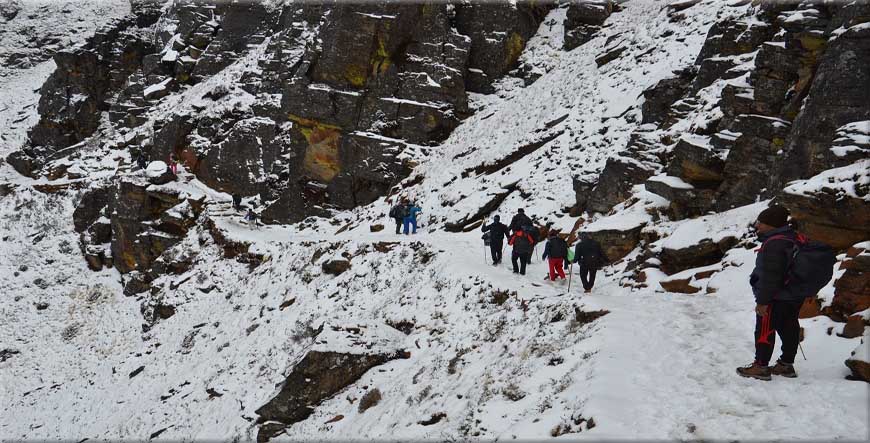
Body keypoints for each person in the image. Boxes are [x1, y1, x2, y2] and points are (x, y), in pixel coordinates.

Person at [737, 206, 803, 381]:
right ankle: (786, 365)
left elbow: (771, 276)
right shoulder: (793, 237)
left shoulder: (775, 244)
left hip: (776, 296)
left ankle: (761, 367)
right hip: (794, 294)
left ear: (772, 224)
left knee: (765, 328)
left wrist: (763, 302)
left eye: (761, 222)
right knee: (789, 326)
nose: (757, 225)